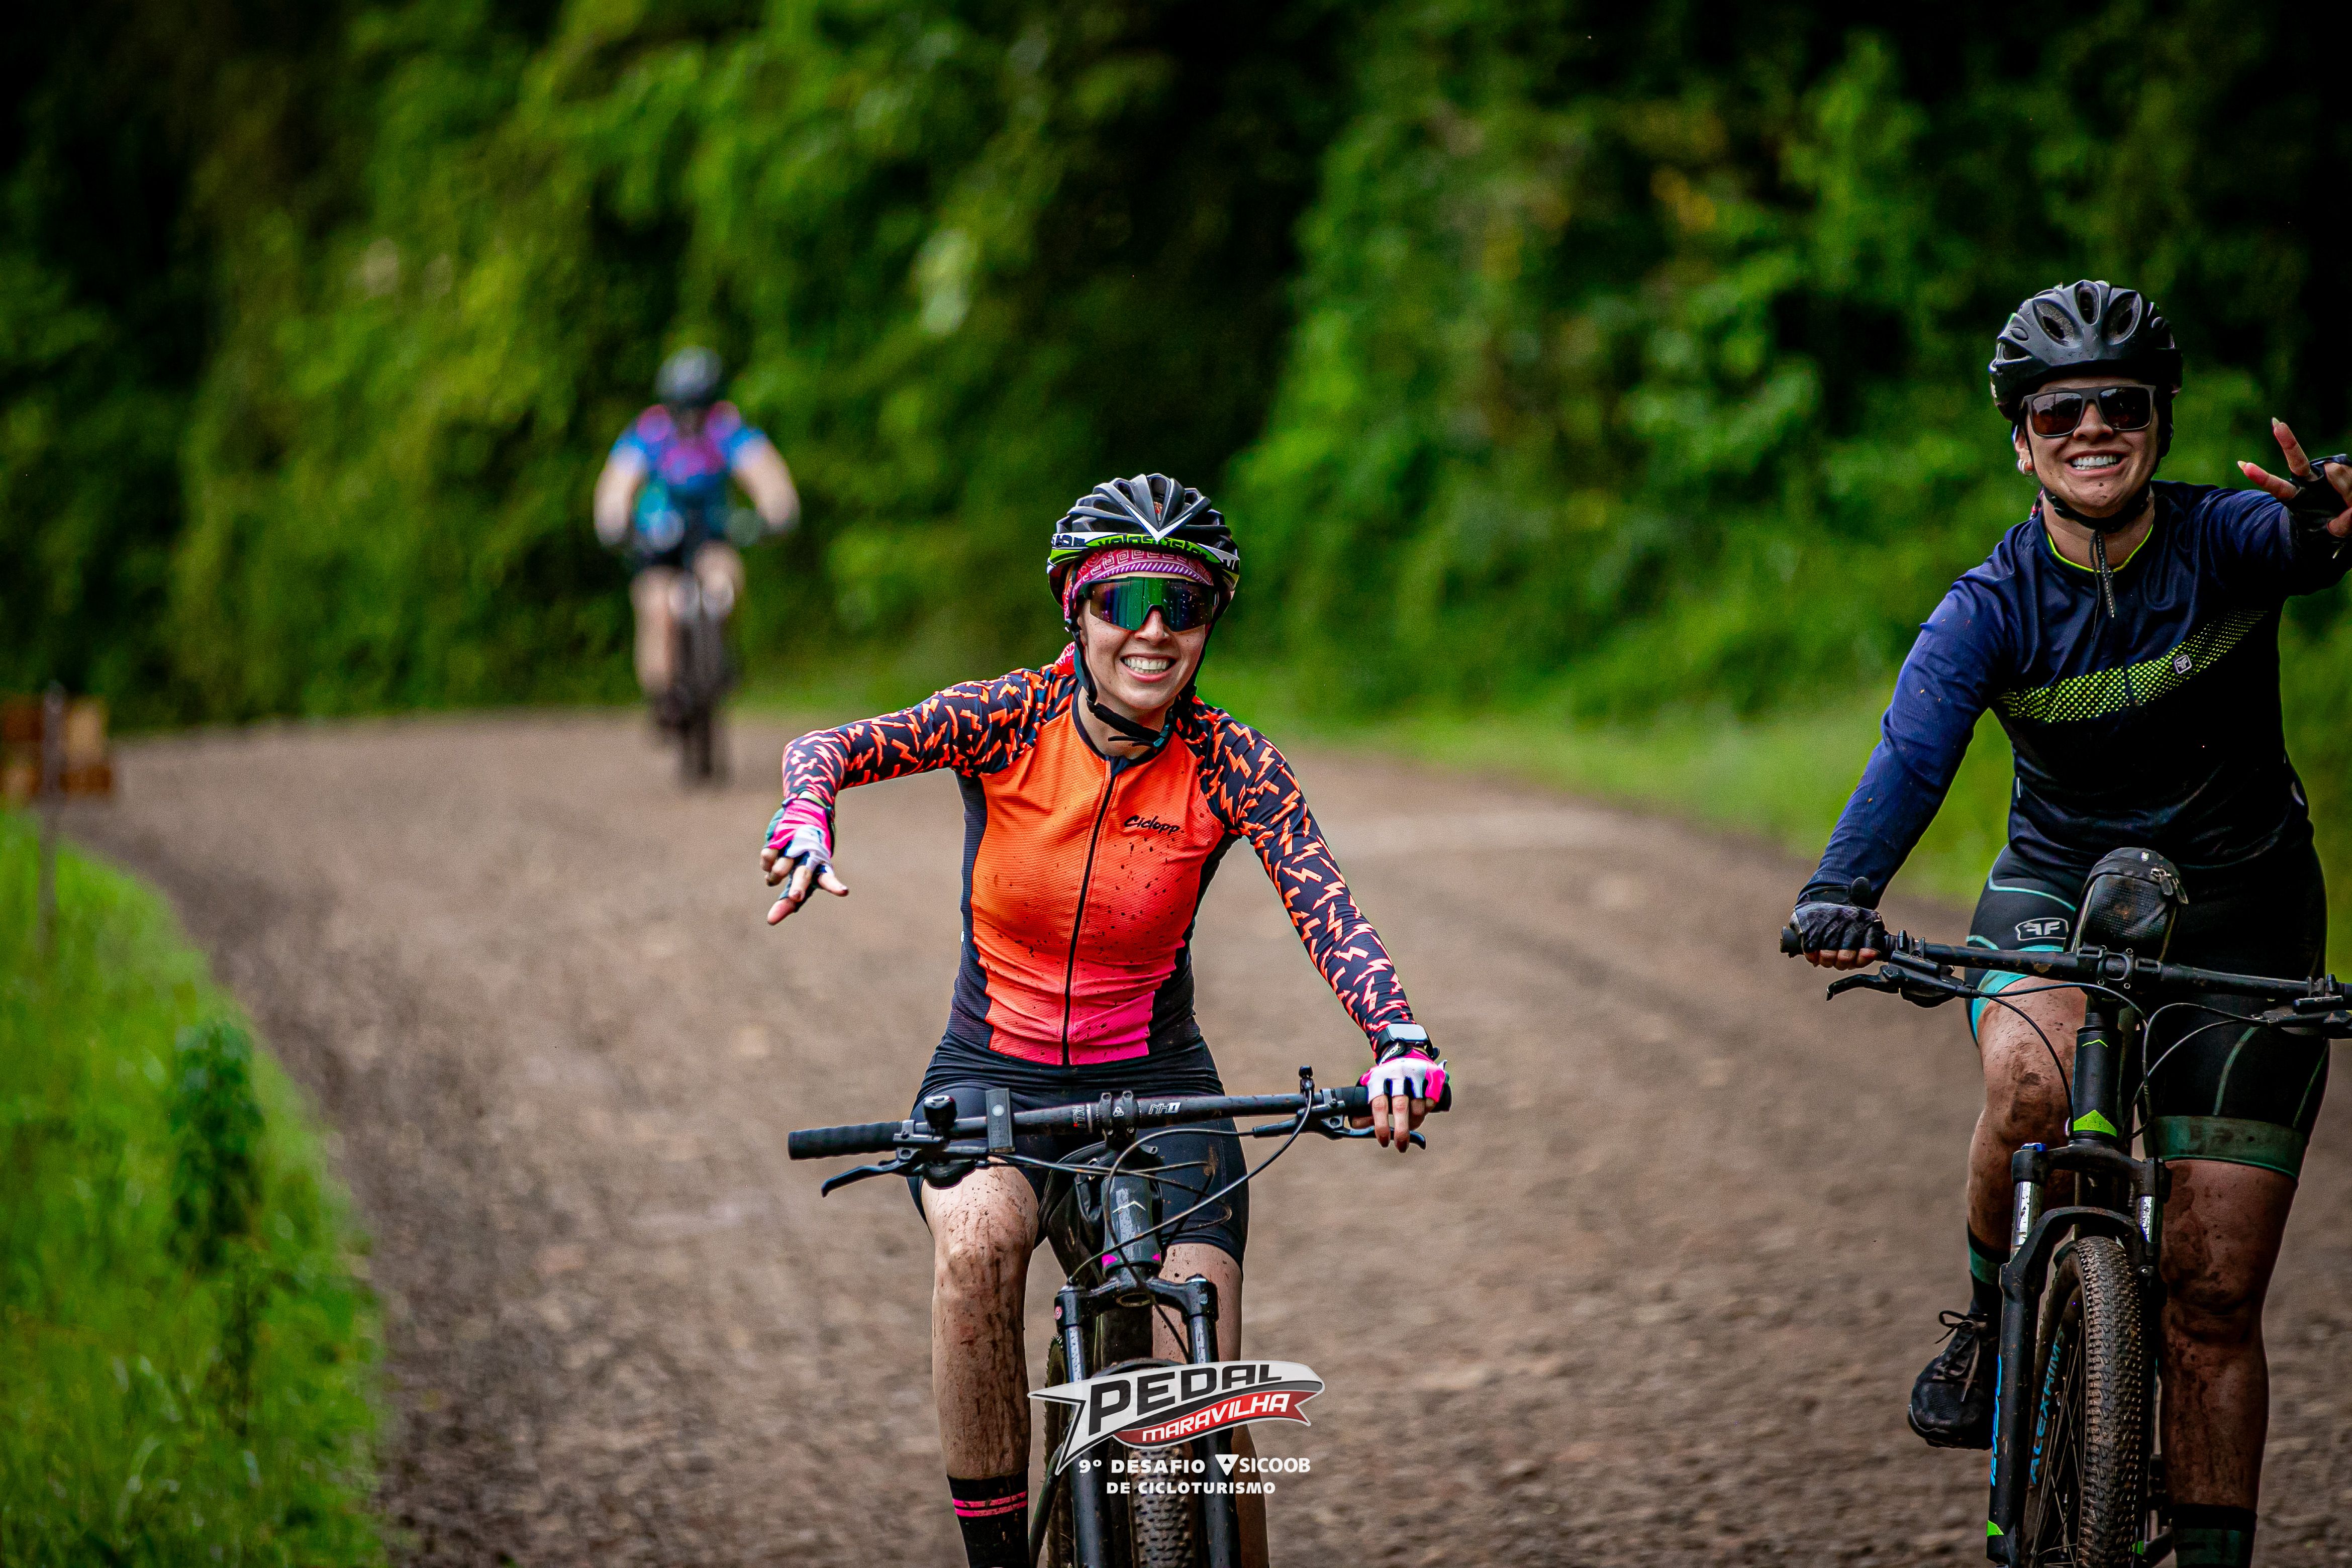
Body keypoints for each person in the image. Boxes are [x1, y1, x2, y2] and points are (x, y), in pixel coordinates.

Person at [759, 473, 1448, 1568]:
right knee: (978, 1247)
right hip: (996, 1072)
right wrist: (808, 812)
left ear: (1211, 621)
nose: (1155, 630)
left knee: (1200, 1370)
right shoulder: (1008, 718)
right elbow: (828, 747)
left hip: (1160, 1084)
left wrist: (1397, 1040)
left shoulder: (1232, 762)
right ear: (1076, 610)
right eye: (1125, 600)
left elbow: (1329, 909)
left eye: (1185, 603)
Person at [1787, 280, 2351, 1565]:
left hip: (2248, 912)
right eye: (2059, 411)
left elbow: (2312, 541)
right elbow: (1911, 755)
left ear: (2157, 421)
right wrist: (1841, 891)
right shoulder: (1988, 606)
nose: (2092, 427)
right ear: (2020, 439)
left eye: (2121, 404)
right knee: (2031, 1084)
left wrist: (2329, 517)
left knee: (2213, 1295)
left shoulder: (2227, 541)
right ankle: (1991, 1322)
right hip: (2057, 889)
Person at [594, 347, 800, 718]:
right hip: (657, 540)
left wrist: (777, 511)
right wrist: (614, 521)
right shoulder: (650, 432)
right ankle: (663, 694)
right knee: (657, 605)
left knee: (724, 579)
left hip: (711, 533)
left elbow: (765, 473)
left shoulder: (726, 429)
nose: (691, 417)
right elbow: (618, 482)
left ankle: (721, 652)